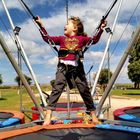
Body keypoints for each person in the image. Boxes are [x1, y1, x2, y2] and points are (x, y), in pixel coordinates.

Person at [35, 16, 107, 126]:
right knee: (57, 88)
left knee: (84, 90)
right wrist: (41, 25)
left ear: (75, 28)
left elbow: (94, 40)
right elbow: (47, 39)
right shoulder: (61, 39)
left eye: (67, 24)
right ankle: (48, 115)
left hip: (77, 68)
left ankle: (93, 115)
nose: (64, 26)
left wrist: (101, 28)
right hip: (62, 67)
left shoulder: (82, 39)